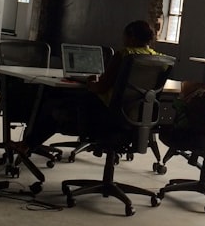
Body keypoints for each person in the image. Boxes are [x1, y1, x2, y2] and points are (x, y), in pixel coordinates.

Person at [23, 20, 159, 151]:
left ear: (132, 38)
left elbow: (100, 88)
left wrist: (90, 82)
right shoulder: (159, 60)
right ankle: (27, 144)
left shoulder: (124, 55)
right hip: (135, 117)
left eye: (124, 37)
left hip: (105, 114)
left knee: (53, 104)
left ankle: (27, 144)